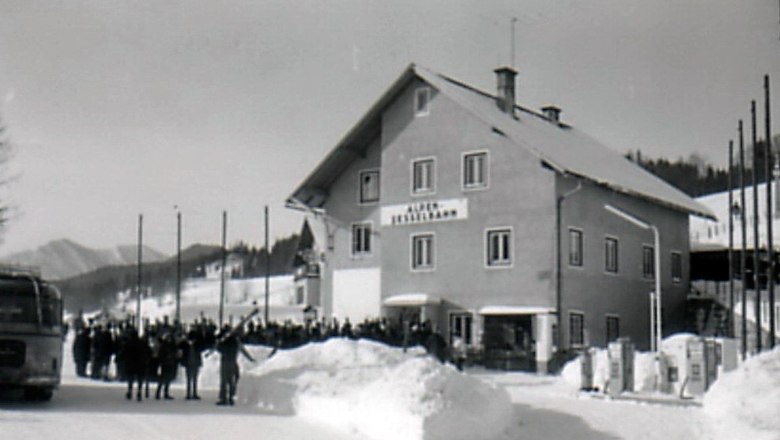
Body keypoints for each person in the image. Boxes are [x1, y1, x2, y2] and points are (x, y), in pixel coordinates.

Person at [216, 325, 255, 406]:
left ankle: (224, 398)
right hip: (233, 362)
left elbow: (219, 349)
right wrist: (250, 358)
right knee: (231, 381)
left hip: (225, 362)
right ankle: (231, 398)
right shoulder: (236, 341)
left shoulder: (224, 341)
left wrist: (219, 342)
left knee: (224, 381)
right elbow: (242, 350)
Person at [122, 327, 150, 401]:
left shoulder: (128, 343)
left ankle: (130, 391)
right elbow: (148, 351)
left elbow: (124, 353)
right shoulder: (142, 343)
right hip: (140, 363)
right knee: (140, 378)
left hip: (130, 363)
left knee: (130, 378)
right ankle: (139, 391)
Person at [179, 330, 204, 400]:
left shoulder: (192, 344)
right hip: (192, 363)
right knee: (191, 379)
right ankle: (192, 393)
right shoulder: (191, 344)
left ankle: (191, 393)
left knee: (192, 379)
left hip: (190, 363)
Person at [155, 332, 179, 400]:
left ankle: (166, 392)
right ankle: (158, 393)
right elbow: (160, 355)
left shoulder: (172, 346)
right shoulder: (164, 346)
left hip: (170, 364)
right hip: (165, 364)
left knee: (168, 379)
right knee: (162, 379)